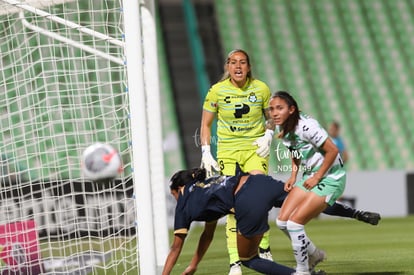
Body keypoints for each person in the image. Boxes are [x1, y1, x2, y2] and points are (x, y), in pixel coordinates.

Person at [199, 49, 275, 275]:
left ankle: (264, 247)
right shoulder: (217, 91)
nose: (238, 66)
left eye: (242, 62)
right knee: (232, 206)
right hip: (228, 151)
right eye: (233, 63)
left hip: (254, 149)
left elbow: (271, 117)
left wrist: (268, 134)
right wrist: (205, 151)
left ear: (249, 67)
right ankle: (235, 262)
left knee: (260, 197)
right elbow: (205, 124)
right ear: (227, 67)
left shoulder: (261, 88)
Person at [162, 167, 298, 275]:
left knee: (248, 258)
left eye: (173, 195)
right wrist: (193, 265)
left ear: (179, 189)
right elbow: (207, 235)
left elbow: (175, 248)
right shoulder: (204, 188)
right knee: (307, 200)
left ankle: (297, 274)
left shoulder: (183, 203)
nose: (175, 199)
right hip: (259, 181)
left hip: (247, 199)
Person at [269, 91, 347, 275]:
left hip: (330, 177)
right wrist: (293, 175)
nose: (274, 113)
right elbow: (295, 151)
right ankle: (315, 254)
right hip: (310, 175)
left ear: (292, 109)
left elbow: (333, 150)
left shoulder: (306, 126)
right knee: (282, 221)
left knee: (295, 224)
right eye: (272, 109)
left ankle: (302, 271)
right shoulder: (284, 128)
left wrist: (317, 177)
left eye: (279, 108)